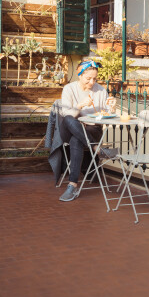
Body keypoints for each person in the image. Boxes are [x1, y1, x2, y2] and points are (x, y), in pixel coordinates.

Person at [57, 60, 116, 202]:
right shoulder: (69, 89)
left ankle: (72, 186)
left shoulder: (101, 90)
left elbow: (105, 114)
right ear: (80, 75)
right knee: (70, 120)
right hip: (71, 127)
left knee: (76, 139)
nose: (92, 82)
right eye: (88, 78)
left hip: (92, 129)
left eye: (94, 78)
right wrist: (79, 106)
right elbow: (66, 114)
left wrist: (112, 108)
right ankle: (96, 148)